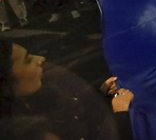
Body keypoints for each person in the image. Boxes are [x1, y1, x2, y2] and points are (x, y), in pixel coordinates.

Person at [0, 40, 133, 139]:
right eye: (27, 60)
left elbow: (74, 123)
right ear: (5, 79)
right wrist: (121, 116)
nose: (40, 59)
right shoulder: (28, 132)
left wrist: (100, 95)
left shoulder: (29, 104)